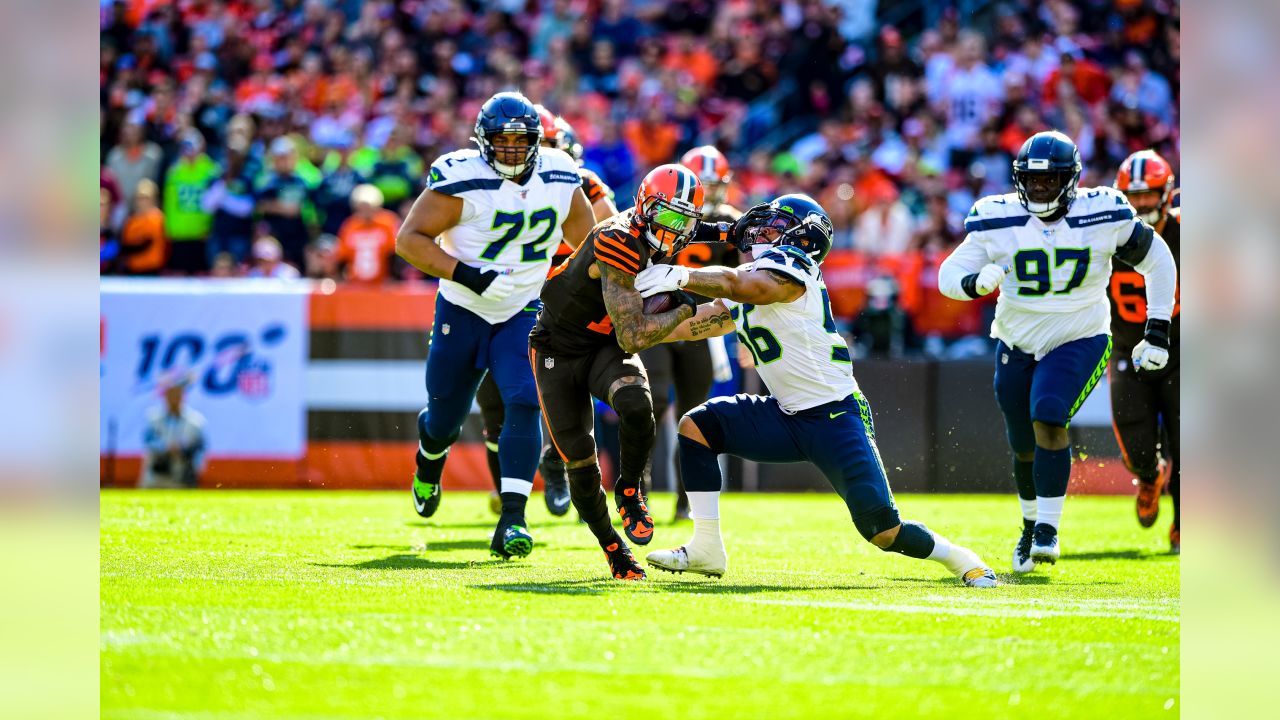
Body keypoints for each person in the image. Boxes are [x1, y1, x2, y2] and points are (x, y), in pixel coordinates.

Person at [635, 194, 997, 587]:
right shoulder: (749, 281)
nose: (760, 231)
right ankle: (706, 548)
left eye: (773, 226)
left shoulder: (793, 267)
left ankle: (961, 559)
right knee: (698, 427)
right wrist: (628, 325)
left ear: (801, 237)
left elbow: (744, 286)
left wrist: (680, 275)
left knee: (883, 531)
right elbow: (691, 325)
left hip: (834, 415)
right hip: (785, 413)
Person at [937, 131, 1177, 572]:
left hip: (1080, 334)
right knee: (1022, 442)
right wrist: (977, 282)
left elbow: (1157, 258)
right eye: (1031, 181)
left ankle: (1047, 529)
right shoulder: (998, 216)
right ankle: (1029, 526)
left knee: (1049, 413)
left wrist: (1157, 328)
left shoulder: (1100, 211)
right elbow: (949, 273)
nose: (1039, 189)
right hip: (1015, 339)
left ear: (1071, 180)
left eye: (1050, 182)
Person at [395, 91, 597, 559]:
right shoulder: (461, 177)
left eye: (520, 139)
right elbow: (409, 240)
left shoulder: (560, 173)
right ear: (482, 141)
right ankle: (429, 463)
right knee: (444, 419)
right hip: (463, 307)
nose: (510, 149)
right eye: (500, 140)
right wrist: (468, 274)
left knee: (526, 400)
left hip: (524, 307)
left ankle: (512, 519)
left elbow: (588, 242)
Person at [528, 163, 732, 580]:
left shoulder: (668, 225)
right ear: (643, 207)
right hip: (560, 346)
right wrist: (689, 304)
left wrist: (736, 230)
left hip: (603, 342)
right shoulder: (618, 238)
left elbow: (699, 228)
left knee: (638, 405)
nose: (674, 231)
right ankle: (613, 548)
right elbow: (635, 335)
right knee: (580, 458)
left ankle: (629, 490)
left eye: (683, 221)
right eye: (667, 216)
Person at [474, 107, 619, 517]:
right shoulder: (490, 184)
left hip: (563, 302)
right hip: (505, 298)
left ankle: (556, 466)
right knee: (493, 402)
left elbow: (609, 233)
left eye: (555, 146)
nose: (547, 154)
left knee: (564, 386)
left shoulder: (582, 183)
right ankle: (508, 497)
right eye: (545, 145)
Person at [642, 145, 741, 521]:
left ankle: (686, 499)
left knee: (694, 415)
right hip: (660, 323)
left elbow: (743, 278)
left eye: (717, 185)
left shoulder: (731, 223)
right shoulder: (660, 217)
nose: (713, 193)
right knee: (650, 405)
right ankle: (639, 490)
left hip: (701, 326)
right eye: (706, 184)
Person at [1110, 149, 1181, 553]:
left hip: (1186, 349)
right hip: (1126, 347)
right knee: (1136, 443)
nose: (1139, 205)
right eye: (1132, 196)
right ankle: (1148, 477)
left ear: (1166, 193)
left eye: (1148, 195)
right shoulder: (1107, 234)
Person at [163, 129, 220, 275]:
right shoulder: (175, 171)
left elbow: (215, 204)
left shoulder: (211, 170)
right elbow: (170, 202)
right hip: (180, 234)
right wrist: (170, 228)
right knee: (179, 273)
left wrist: (209, 227)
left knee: (200, 275)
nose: (189, 152)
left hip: (202, 234)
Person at [140, 373, 207, 489]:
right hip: (157, 477)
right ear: (165, 396)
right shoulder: (153, 418)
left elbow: (200, 448)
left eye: (177, 394)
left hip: (182, 477)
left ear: (183, 396)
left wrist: (183, 449)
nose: (174, 398)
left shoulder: (196, 422)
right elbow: (148, 441)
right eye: (171, 394)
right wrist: (165, 447)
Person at [335, 184, 399, 285]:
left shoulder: (387, 223)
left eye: (368, 207)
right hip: (356, 283)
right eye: (361, 208)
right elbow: (343, 256)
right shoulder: (351, 225)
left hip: (382, 283)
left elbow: (393, 253)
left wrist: (393, 277)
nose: (365, 212)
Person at [118, 179, 168, 275]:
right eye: (140, 198)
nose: (143, 202)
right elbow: (126, 243)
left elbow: (147, 243)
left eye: (146, 198)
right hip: (133, 270)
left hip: (153, 270)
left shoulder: (158, 219)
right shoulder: (131, 221)